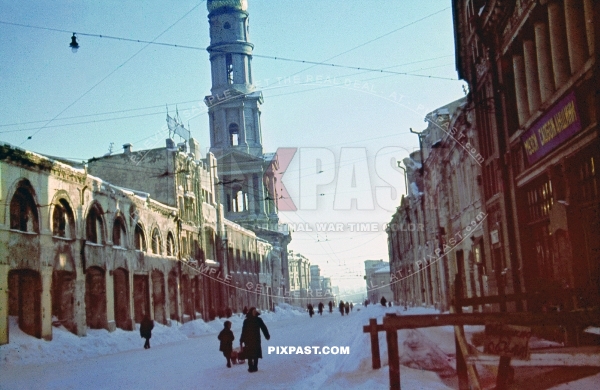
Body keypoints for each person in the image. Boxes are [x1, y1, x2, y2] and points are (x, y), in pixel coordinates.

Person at [240, 307, 270, 372]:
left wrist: (267, 335)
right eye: (253, 311)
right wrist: (241, 339)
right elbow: (244, 331)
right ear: (250, 312)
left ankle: (255, 367)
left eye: (255, 311)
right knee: (249, 353)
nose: (254, 312)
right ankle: (250, 367)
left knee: (256, 353)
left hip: (256, 339)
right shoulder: (246, 321)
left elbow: (263, 328)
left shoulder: (258, 320)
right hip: (248, 340)